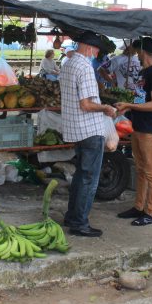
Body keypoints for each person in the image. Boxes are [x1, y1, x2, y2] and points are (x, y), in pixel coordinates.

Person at [59, 31, 117, 237]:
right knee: (89, 179)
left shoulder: (68, 63)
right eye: (97, 50)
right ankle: (80, 223)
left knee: (80, 176)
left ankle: (71, 216)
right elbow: (86, 104)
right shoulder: (84, 66)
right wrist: (106, 109)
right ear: (90, 48)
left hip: (75, 128)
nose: (97, 53)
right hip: (90, 130)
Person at [115, 37, 152, 226]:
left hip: (149, 130)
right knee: (141, 170)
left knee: (151, 172)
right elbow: (140, 100)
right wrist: (128, 108)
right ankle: (138, 206)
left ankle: (150, 212)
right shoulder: (144, 72)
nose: (135, 51)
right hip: (138, 127)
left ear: (143, 51)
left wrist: (128, 105)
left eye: (137, 48)